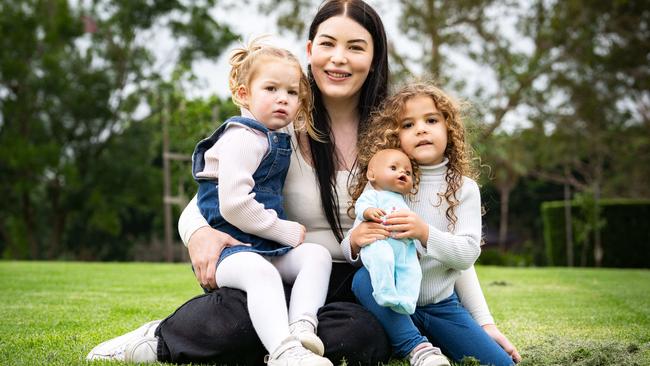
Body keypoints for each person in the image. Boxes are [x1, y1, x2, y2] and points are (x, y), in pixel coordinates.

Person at [86, 1, 520, 364]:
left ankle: (289, 345)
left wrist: (484, 323)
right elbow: (215, 193)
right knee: (236, 317)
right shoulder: (279, 124)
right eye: (328, 44)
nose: (339, 58)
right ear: (310, 50)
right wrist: (197, 232)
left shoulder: (395, 135)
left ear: (374, 58)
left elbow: (439, 226)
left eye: (356, 47)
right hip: (281, 267)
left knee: (362, 339)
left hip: (349, 284)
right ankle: (164, 337)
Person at [343, 81, 521, 366]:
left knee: (500, 363)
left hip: (443, 306)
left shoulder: (464, 189)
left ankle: (431, 337)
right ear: (394, 135)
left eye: (431, 120)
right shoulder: (385, 186)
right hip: (394, 302)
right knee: (363, 279)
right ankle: (416, 347)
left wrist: (424, 233)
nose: (421, 129)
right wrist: (354, 241)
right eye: (408, 125)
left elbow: (465, 256)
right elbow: (353, 250)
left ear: (449, 129)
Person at [351, 148, 421, 315]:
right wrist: (368, 212)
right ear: (372, 175)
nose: (402, 173)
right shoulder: (374, 195)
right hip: (378, 242)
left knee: (413, 270)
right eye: (393, 168)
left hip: (404, 248)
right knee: (382, 259)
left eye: (408, 172)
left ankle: (407, 301)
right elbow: (360, 206)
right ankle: (384, 293)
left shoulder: (403, 201)